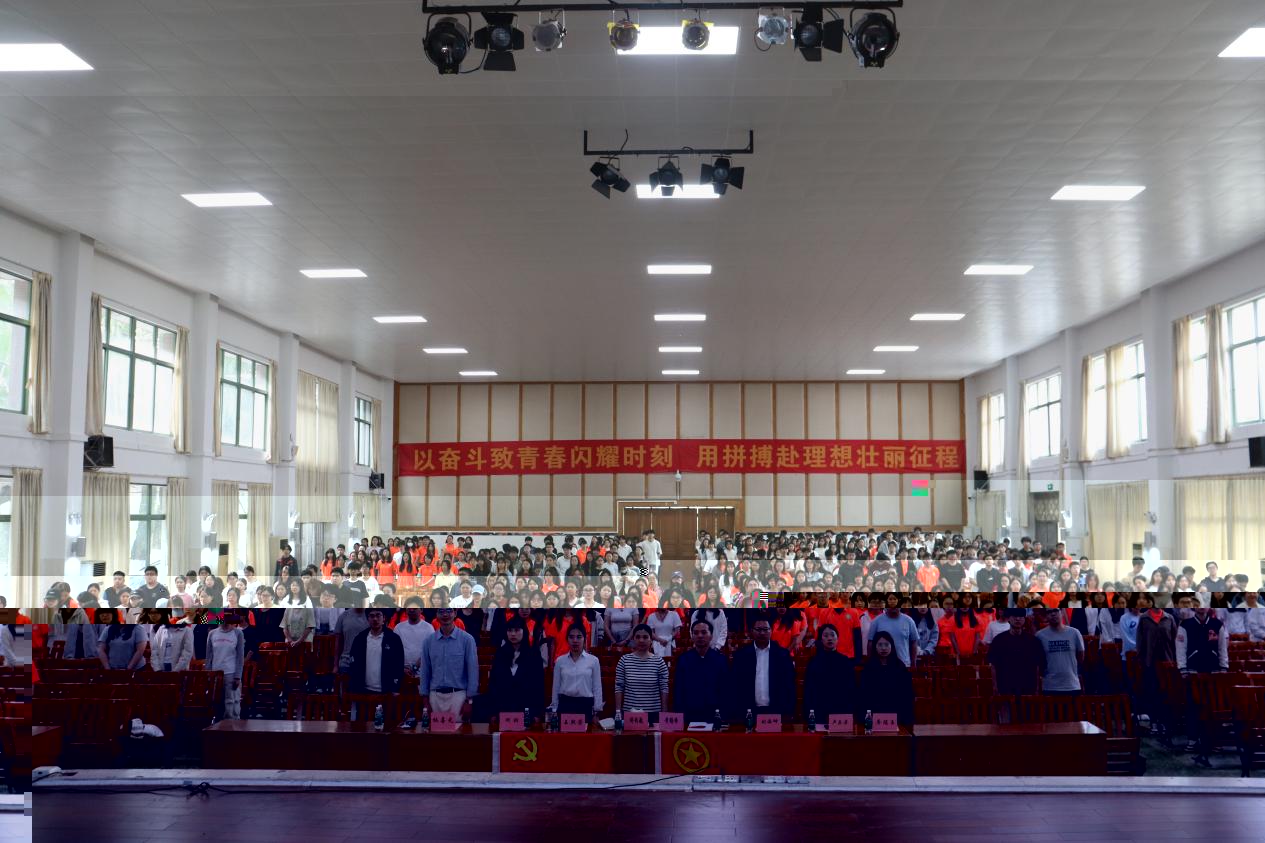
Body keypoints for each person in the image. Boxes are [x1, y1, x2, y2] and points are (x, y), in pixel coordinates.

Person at [1177, 605, 1229, 766]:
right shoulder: (1185, 625)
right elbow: (1180, 648)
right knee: (1193, 707)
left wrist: (1224, 667)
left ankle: (1215, 741)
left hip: (1213, 672)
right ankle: (1192, 739)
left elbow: (1222, 648)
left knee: (1213, 708)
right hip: (1193, 673)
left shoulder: (1217, 624)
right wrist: (1182, 668)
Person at [730, 614, 796, 720]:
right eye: (758, 629)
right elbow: (735, 685)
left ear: (771, 631)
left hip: (776, 711)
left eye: (765, 629)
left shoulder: (782, 655)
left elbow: (789, 685)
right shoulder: (741, 656)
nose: (762, 633)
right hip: (748, 711)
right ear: (752, 631)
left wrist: (788, 710)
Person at [419, 606, 479, 720]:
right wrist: (425, 701)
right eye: (441, 611)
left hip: (458, 696)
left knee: (458, 731)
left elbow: (473, 671)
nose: (445, 614)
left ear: (455, 613)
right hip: (435, 697)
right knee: (435, 731)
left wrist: (469, 701)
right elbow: (425, 672)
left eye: (449, 611)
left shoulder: (467, 640)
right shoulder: (428, 641)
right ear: (436, 614)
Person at [484, 615, 545, 724]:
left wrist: (537, 713)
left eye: (517, 630)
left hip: (526, 709)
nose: (513, 634)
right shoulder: (500, 654)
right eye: (509, 630)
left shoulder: (533, 654)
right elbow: (493, 684)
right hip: (504, 708)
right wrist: (493, 712)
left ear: (524, 631)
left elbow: (539, 685)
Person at [673, 617, 729, 723]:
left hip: (714, 714)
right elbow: (679, 691)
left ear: (711, 636)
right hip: (689, 715)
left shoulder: (720, 660)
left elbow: (725, 691)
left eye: (704, 632)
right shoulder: (684, 659)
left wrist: (723, 716)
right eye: (696, 633)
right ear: (692, 636)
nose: (700, 636)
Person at [802, 623, 857, 721]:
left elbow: (851, 690)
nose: (830, 638)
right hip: (819, 709)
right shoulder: (814, 662)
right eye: (826, 635)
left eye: (832, 635)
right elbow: (809, 690)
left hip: (840, 710)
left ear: (837, 638)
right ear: (821, 639)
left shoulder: (845, 662)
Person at [614, 623, 670, 720]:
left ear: (651, 640)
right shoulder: (624, 660)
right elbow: (619, 687)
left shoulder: (659, 662)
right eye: (638, 637)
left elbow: (664, 688)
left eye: (645, 637)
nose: (641, 640)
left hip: (653, 714)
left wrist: (664, 713)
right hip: (630, 715)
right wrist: (618, 711)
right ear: (633, 639)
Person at [859, 631, 914, 727]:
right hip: (874, 714)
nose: (883, 648)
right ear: (875, 647)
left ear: (892, 646)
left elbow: (906, 694)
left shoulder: (899, 666)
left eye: (886, 644)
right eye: (880, 645)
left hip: (896, 715)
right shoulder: (868, 667)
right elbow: (864, 696)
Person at [551, 623, 603, 723]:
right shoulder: (560, 661)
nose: (575, 640)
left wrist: (597, 711)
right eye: (571, 637)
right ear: (567, 639)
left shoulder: (593, 661)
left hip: (585, 705)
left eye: (579, 637)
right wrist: (554, 708)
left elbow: (597, 687)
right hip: (565, 704)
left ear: (584, 639)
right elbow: (556, 687)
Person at [348, 607, 405, 695]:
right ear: (368, 619)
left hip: (387, 691)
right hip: (363, 690)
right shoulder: (360, 638)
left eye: (378, 615)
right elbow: (353, 664)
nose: (375, 619)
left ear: (384, 618)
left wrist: (395, 688)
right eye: (372, 616)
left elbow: (399, 664)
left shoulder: (393, 639)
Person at [988, 609, 1043, 695]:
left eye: (1020, 616)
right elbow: (993, 665)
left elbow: (1037, 666)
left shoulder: (1033, 641)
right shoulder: (998, 640)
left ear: (1024, 619)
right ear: (1009, 619)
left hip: (1028, 687)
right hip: (1005, 687)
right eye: (1014, 616)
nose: (1017, 619)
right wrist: (995, 686)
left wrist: (1037, 688)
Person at [1036, 606, 1084, 696]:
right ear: (1046, 616)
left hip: (1071, 685)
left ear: (1062, 612)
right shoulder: (1039, 635)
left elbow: (1080, 657)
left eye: (1055, 610)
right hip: (1049, 686)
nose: (1053, 614)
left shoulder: (1074, 633)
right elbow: (1038, 661)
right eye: (1049, 612)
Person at [205, 612, 245, 720]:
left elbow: (240, 656)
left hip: (231, 673)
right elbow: (209, 656)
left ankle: (233, 726)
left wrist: (238, 676)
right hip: (216, 673)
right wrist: (208, 674)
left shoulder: (238, 633)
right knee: (216, 702)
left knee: (231, 702)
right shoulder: (212, 633)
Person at [867, 593, 919, 668]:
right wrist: (870, 663)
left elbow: (914, 642)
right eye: (890, 600)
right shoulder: (876, 621)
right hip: (882, 666)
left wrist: (913, 663)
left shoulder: (909, 621)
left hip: (904, 664)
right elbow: (870, 643)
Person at [395, 598, 434, 676]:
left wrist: (416, 666)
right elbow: (394, 651)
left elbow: (431, 650)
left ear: (421, 609)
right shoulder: (398, 628)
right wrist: (401, 668)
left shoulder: (428, 628)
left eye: (415, 608)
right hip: (402, 672)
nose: (411, 610)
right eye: (409, 608)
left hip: (423, 673)